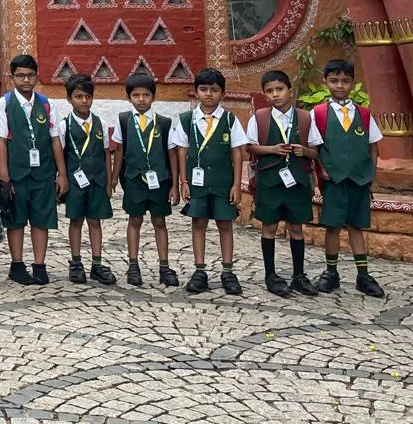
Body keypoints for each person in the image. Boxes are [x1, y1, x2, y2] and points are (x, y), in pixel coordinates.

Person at [0, 54, 67, 285]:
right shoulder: (4, 104)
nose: (26, 80)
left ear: (37, 77)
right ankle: (17, 265)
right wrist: (4, 177)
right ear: (12, 77)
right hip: (16, 173)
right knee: (16, 220)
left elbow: (55, 140)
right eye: (20, 76)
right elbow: (1, 141)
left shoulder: (47, 104)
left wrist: (62, 174)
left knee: (41, 219)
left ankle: (39, 265)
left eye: (30, 75)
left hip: (43, 173)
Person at [172, 67, 247, 295]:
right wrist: (184, 181)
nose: (208, 94)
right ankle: (200, 271)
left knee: (225, 223)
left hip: (223, 182)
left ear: (222, 93)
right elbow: (182, 151)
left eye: (214, 90)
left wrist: (236, 184)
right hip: (197, 184)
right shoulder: (187, 120)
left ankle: (228, 271)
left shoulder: (229, 120)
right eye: (203, 89)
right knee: (198, 222)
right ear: (196, 92)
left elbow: (237, 152)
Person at [246, 69, 320, 297]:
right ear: (265, 94)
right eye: (270, 91)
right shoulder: (259, 118)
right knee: (269, 226)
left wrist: (304, 151)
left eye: (280, 89)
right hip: (269, 181)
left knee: (296, 227)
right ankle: (271, 274)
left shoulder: (305, 118)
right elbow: (250, 146)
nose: (275, 94)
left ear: (290, 90)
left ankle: (299, 275)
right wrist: (272, 149)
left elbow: (316, 151)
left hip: (297, 181)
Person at [313, 59, 384, 297]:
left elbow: (373, 147)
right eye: (334, 81)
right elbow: (315, 147)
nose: (340, 86)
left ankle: (363, 275)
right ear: (325, 82)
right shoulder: (319, 114)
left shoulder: (364, 114)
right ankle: (331, 273)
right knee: (332, 226)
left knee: (356, 225)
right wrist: (322, 170)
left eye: (345, 81)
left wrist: (371, 173)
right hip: (334, 179)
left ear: (353, 83)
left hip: (359, 180)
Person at [108, 73, 179, 287]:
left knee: (160, 222)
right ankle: (133, 266)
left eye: (146, 95)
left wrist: (175, 185)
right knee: (134, 221)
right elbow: (119, 151)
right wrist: (113, 179)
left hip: (160, 181)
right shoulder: (124, 121)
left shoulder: (164, 123)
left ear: (153, 97)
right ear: (128, 97)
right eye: (136, 95)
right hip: (134, 181)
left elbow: (172, 154)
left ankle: (164, 267)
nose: (141, 99)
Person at [58, 73, 116, 285]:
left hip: (97, 181)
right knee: (76, 220)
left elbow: (105, 154)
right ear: (69, 99)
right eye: (78, 97)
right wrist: (62, 178)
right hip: (75, 182)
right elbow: (60, 155)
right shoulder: (64, 125)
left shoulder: (100, 123)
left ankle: (97, 263)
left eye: (88, 97)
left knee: (95, 221)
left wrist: (109, 182)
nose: (84, 101)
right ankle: (76, 262)